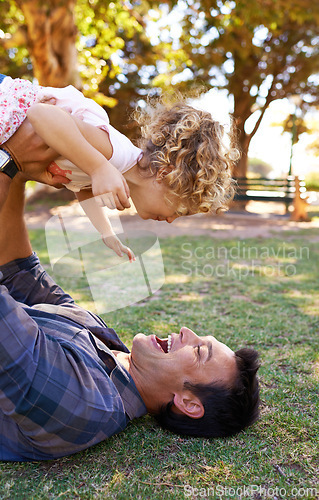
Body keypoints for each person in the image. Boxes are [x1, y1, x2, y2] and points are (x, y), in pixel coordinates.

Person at [0, 129, 260, 461]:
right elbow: (20, 271)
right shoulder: (108, 345)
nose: (186, 332)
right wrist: (20, 173)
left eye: (198, 352)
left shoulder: (85, 403)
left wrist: (8, 162)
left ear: (188, 403)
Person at [0, 74, 237, 261]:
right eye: (180, 210)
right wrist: (98, 168)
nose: (172, 220)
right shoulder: (114, 153)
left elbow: (83, 189)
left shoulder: (112, 172)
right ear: (165, 175)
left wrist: (107, 233)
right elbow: (41, 114)